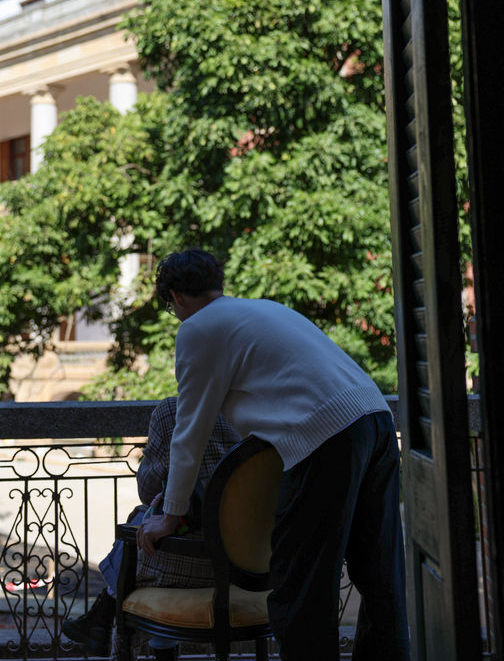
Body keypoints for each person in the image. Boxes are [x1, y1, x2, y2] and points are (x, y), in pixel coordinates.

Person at [136, 249, 410, 661]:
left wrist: (171, 513)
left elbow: (189, 431)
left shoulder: (197, 329)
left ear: (174, 297)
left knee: (301, 589)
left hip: (327, 437)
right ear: (218, 284)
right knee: (380, 577)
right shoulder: (264, 310)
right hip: (375, 419)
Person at [62, 396, 240, 658]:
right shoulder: (246, 413)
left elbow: (148, 491)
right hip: (241, 565)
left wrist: (151, 456)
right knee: (145, 524)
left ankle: (102, 617)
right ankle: (100, 619)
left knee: (139, 529)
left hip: (187, 565)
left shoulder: (173, 411)